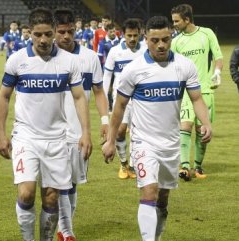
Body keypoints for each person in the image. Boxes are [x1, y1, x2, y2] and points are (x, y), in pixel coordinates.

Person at [102, 15, 212, 241]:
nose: (161, 45)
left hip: (171, 145)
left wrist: (206, 123)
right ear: (146, 38)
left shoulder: (184, 66)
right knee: (149, 191)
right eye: (155, 40)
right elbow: (120, 107)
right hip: (144, 143)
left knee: (162, 199)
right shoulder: (134, 70)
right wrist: (111, 140)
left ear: (171, 36)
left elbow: (197, 99)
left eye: (165, 39)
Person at [0, 8, 92, 241]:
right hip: (25, 138)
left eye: (48, 34)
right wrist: (0, 133)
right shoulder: (17, 60)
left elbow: (79, 97)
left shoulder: (69, 62)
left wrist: (86, 132)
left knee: (51, 197)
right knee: (27, 192)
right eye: (38, 35)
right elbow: (4, 96)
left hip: (57, 139)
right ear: (30, 33)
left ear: (53, 32)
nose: (43, 40)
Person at [53, 9, 109, 241]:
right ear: (54, 31)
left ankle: (63, 225)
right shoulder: (45, 58)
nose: (66, 36)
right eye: (61, 32)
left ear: (76, 29)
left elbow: (98, 91)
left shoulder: (89, 57)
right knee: (60, 183)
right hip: (52, 132)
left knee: (73, 183)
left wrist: (105, 120)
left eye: (70, 31)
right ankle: (67, 231)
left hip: (79, 131)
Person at [171, 4, 223, 180]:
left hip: (205, 91)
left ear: (187, 19)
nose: (175, 24)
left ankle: (198, 167)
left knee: (203, 130)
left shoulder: (206, 33)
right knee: (185, 126)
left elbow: (218, 57)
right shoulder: (176, 42)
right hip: (185, 91)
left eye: (177, 21)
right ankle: (184, 167)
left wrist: (217, 72)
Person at [102, 18, 146, 179]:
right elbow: (107, 75)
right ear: (123, 35)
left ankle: (134, 166)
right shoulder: (115, 51)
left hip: (141, 97)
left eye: (135, 35)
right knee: (120, 131)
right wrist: (105, 97)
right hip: (121, 98)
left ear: (140, 33)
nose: (133, 39)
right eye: (129, 36)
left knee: (137, 132)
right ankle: (123, 163)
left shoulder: (145, 50)